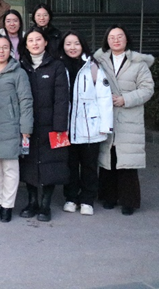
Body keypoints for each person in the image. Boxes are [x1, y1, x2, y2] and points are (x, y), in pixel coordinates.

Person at [94, 25, 155, 216]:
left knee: (127, 160)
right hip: (106, 115)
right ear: (107, 40)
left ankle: (129, 201)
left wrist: (125, 99)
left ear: (126, 39)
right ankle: (109, 197)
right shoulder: (99, 61)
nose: (116, 40)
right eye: (112, 37)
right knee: (108, 157)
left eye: (120, 36)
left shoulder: (138, 63)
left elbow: (147, 89)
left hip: (129, 117)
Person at [18, 27, 70, 222]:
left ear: (46, 42)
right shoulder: (21, 66)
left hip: (51, 124)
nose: (35, 43)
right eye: (30, 40)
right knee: (29, 162)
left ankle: (46, 204)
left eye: (38, 39)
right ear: (26, 44)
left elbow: (62, 99)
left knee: (52, 164)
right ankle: (32, 201)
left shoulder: (56, 66)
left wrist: (59, 126)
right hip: (28, 125)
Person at [59, 31, 113, 216]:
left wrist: (105, 126)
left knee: (89, 165)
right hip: (67, 125)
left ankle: (87, 199)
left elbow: (104, 98)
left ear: (82, 45)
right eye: (68, 44)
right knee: (70, 165)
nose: (72, 47)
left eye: (76, 43)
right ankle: (71, 197)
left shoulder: (93, 67)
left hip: (90, 126)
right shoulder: (59, 66)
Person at [0, 35, 33, 222]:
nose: (1, 51)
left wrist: (26, 127)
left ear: (11, 51)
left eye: (5, 47)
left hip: (11, 126)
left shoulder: (18, 73)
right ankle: (0, 201)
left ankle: (8, 206)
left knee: (10, 168)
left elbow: (26, 101)